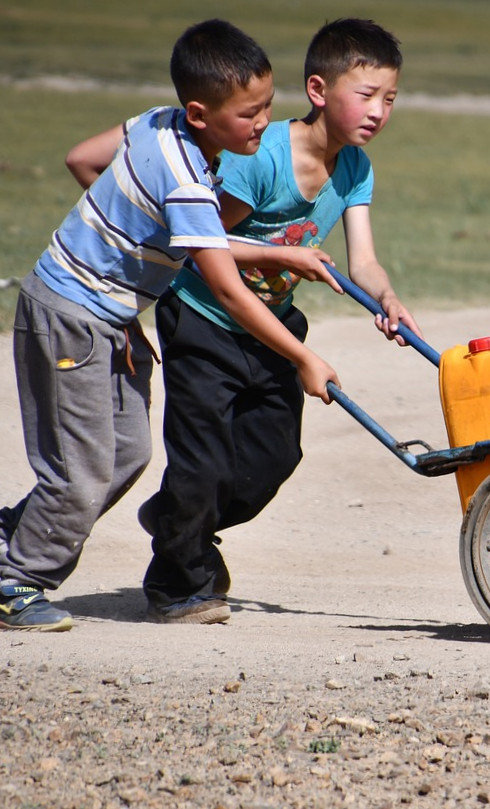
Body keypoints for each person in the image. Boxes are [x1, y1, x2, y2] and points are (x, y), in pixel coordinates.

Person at [0, 19, 277, 631]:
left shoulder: (156, 122)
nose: (263, 122)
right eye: (248, 113)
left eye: (266, 105)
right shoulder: (188, 182)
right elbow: (229, 291)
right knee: (80, 473)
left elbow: (82, 159)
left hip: (105, 314)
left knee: (128, 452)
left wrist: (121, 269)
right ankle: (14, 586)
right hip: (70, 316)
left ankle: (7, 537)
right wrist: (303, 358)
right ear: (200, 113)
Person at [134, 17, 421, 625]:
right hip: (204, 320)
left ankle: (176, 520)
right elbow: (200, 242)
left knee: (273, 459)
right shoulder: (261, 160)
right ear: (319, 90)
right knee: (203, 464)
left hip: (274, 328)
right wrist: (285, 256)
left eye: (390, 99)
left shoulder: (355, 168)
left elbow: (363, 263)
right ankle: (176, 582)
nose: (379, 111)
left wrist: (388, 299)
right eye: (366, 95)